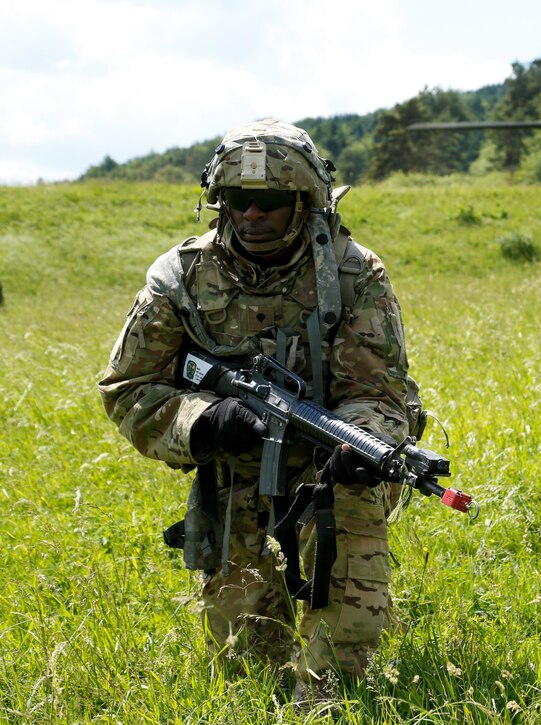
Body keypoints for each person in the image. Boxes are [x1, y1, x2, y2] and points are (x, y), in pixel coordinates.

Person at [98, 119, 422, 707]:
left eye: (269, 202)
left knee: (346, 530)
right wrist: (203, 421)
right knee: (247, 662)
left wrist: (364, 444)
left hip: (330, 465)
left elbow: (378, 390)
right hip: (234, 464)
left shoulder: (352, 275)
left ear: (303, 203)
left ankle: (329, 697)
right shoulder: (180, 278)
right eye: (238, 201)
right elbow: (129, 388)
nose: (252, 214)